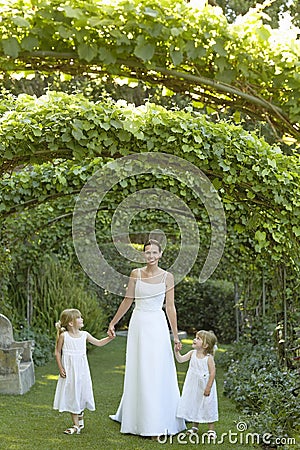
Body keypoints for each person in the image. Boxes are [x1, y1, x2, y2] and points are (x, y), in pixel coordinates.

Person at [108, 239, 186, 438]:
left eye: (154, 253)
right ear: (144, 255)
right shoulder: (136, 274)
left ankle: (159, 420)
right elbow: (128, 300)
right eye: (147, 253)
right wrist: (113, 322)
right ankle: (137, 418)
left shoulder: (168, 277)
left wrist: (175, 336)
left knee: (157, 369)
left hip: (157, 325)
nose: (151, 256)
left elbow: (170, 307)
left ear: (160, 255)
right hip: (139, 324)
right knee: (139, 368)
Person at [53, 308, 115, 435]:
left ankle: (80, 418)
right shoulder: (64, 336)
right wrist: (60, 368)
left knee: (81, 392)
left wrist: (110, 338)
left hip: (82, 371)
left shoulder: (84, 335)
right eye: (79, 317)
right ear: (71, 323)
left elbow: (98, 343)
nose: (82, 319)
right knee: (72, 393)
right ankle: (76, 425)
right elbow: (57, 352)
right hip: (70, 371)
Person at [175, 330, 218, 438]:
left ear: (205, 345)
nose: (194, 339)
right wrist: (177, 351)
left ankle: (211, 429)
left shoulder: (208, 358)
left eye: (198, 338)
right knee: (195, 403)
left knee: (208, 405)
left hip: (205, 385)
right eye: (195, 337)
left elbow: (212, 373)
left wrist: (208, 387)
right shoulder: (192, 354)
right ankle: (195, 426)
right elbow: (180, 360)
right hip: (193, 385)